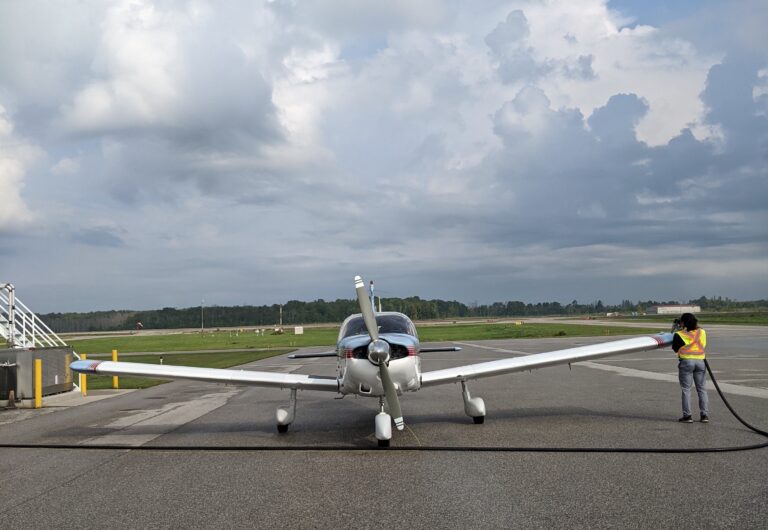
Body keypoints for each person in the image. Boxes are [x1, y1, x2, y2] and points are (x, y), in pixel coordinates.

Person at [672, 313, 709, 423]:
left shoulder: (679, 334)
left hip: (687, 362)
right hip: (700, 362)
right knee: (702, 389)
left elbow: (675, 348)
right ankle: (704, 415)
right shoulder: (702, 332)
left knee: (686, 390)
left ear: (683, 323)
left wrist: (679, 329)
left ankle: (687, 416)